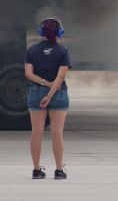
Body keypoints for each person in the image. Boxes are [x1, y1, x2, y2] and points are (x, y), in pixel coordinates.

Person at [24, 17, 72, 179]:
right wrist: (50, 93)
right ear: (60, 32)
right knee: (57, 133)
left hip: (37, 93)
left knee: (36, 132)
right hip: (58, 95)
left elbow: (28, 74)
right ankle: (59, 170)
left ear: (41, 32)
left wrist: (44, 84)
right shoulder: (63, 51)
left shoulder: (32, 50)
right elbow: (61, 76)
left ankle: (36, 170)